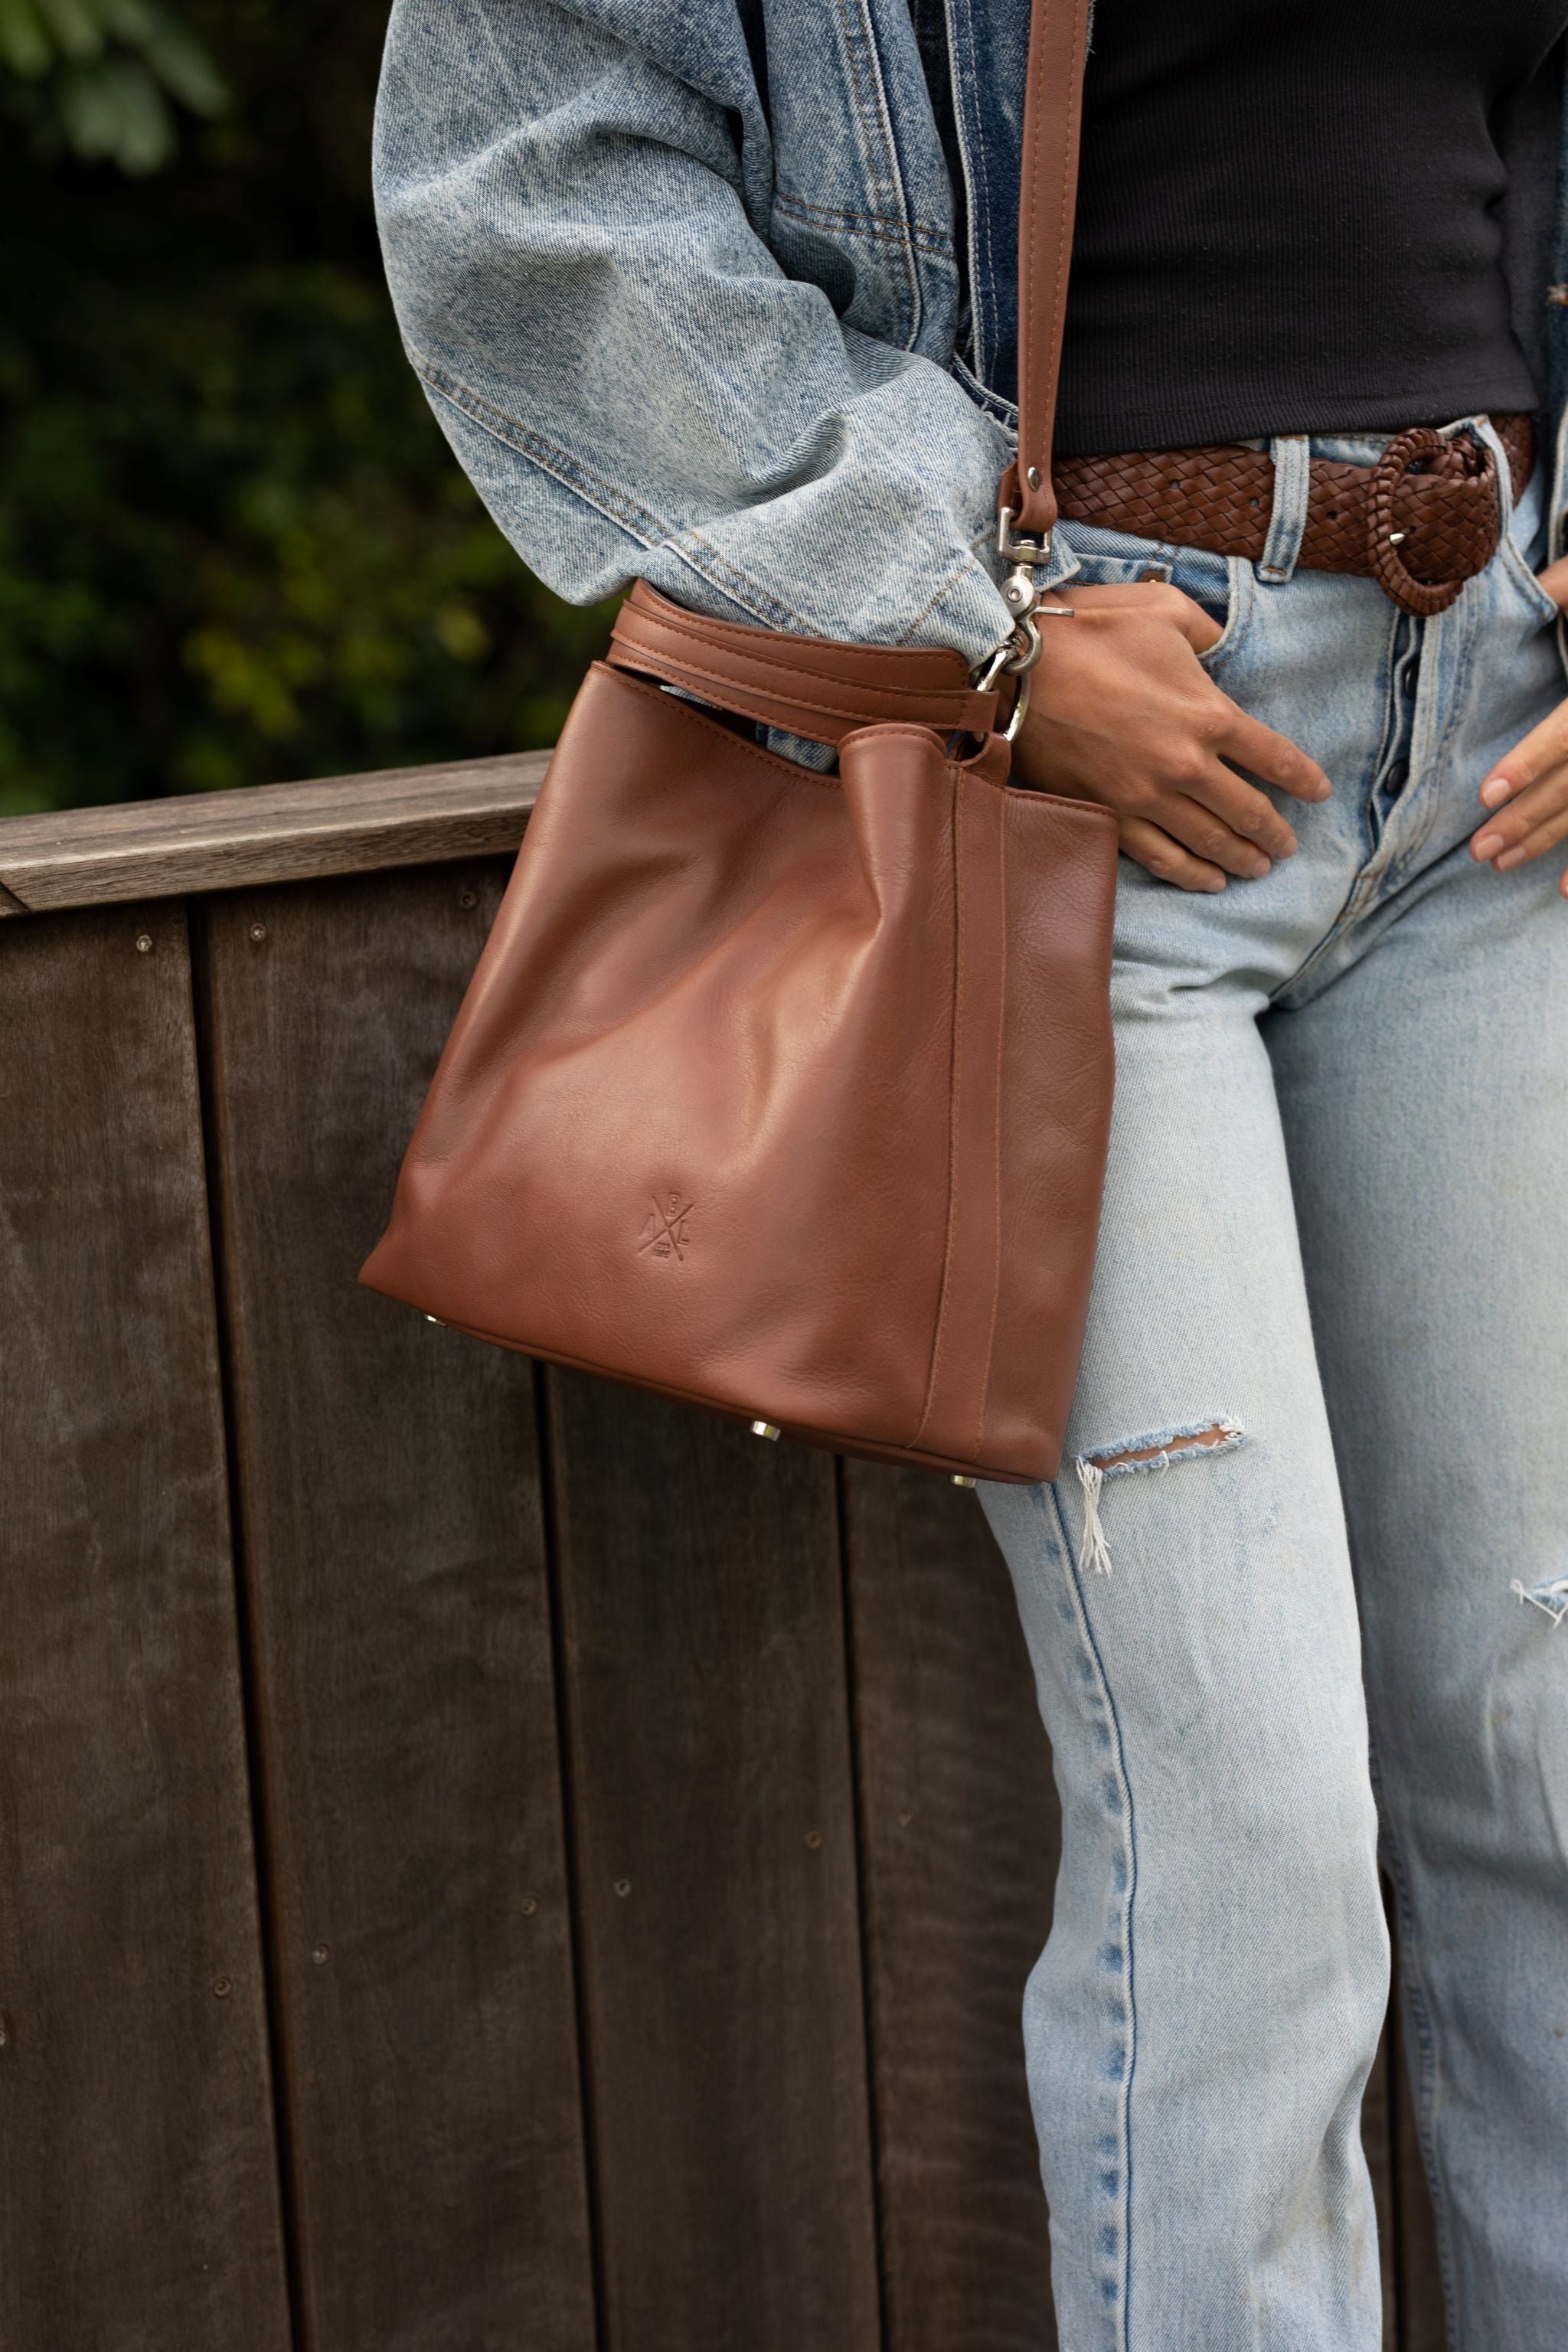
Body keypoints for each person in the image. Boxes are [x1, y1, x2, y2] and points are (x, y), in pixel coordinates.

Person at [371, 5, 1568, 2344]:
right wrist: (976, 610)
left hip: (1496, 757)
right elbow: (530, 165)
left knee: (1550, 1757)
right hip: (1073, 792)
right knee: (1253, 1844)